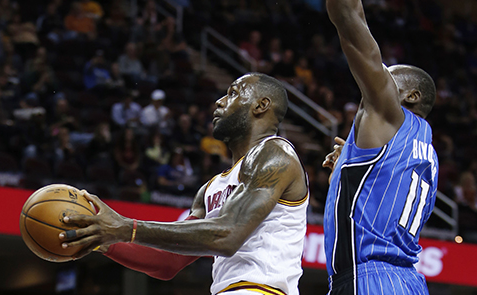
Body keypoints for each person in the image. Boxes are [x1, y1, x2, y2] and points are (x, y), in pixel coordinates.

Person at [59, 73, 309, 295]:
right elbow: (168, 261)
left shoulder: (276, 153)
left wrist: (126, 227)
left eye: (232, 93)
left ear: (261, 106)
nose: (219, 101)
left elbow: (228, 235)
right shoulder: (211, 187)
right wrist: (103, 239)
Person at [322, 0, 438, 294]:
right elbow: (383, 195)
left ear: (411, 95)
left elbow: (350, 19)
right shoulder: (426, 150)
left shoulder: (388, 114)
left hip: (370, 279)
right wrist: (346, 170)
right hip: (408, 282)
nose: (379, 79)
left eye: (390, 78)